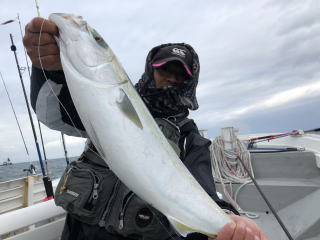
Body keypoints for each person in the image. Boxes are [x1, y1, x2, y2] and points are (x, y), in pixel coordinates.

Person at [23, 17, 268, 240]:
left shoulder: (189, 138)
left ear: (191, 82)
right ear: (151, 70)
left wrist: (227, 220)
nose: (171, 77)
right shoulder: (108, 103)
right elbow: (53, 116)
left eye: (180, 74)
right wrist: (49, 70)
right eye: (165, 69)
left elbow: (202, 189)